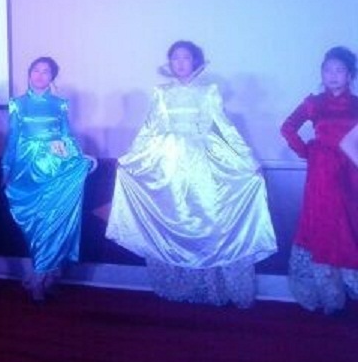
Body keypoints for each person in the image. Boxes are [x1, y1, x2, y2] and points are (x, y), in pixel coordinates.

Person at [105, 41, 276, 307]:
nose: (181, 63)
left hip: (203, 163)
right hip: (169, 165)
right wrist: (129, 158)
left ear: (195, 61)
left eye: (186, 57)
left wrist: (249, 159)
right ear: (170, 63)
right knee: (174, 220)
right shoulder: (161, 92)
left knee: (207, 220)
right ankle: (179, 287)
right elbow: (150, 129)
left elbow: (225, 127)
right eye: (175, 58)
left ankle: (213, 287)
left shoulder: (209, 91)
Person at [2, 57, 91, 302]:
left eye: (46, 72)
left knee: (53, 222)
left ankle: (44, 278)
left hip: (54, 168)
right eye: (36, 70)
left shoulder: (60, 104)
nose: (40, 75)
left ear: (52, 77)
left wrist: (79, 158)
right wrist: (5, 168)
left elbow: (67, 136)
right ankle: (40, 275)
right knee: (36, 224)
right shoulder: (17, 103)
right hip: (26, 170)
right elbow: (12, 138)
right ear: (29, 73)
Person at [281, 46, 358, 314]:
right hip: (322, 174)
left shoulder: (357, 104)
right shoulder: (313, 103)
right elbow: (287, 127)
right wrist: (308, 152)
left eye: (339, 70)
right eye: (328, 70)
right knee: (325, 225)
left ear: (350, 75)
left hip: (352, 172)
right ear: (322, 74)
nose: (333, 75)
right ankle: (331, 297)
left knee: (350, 224)